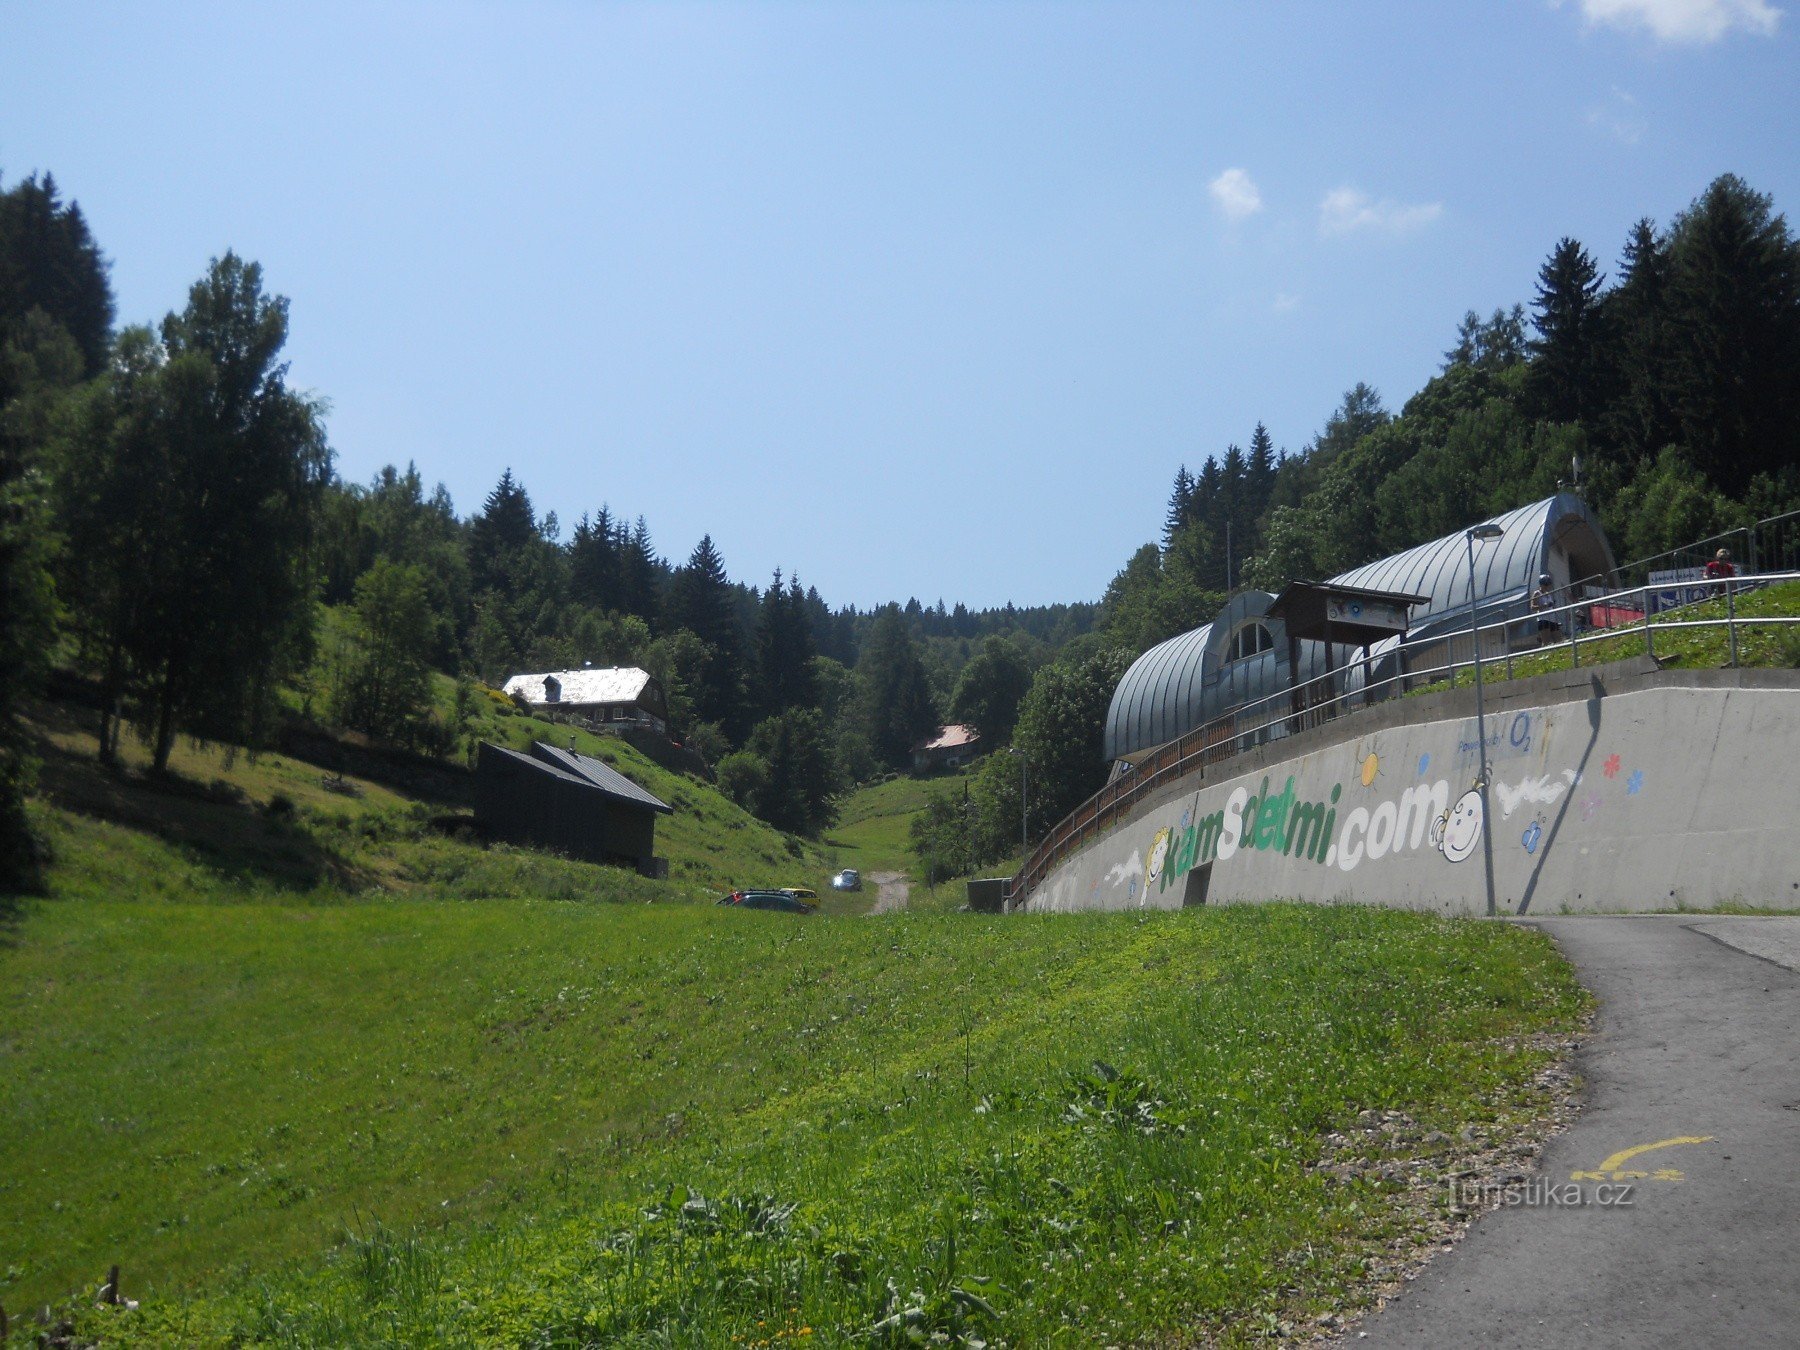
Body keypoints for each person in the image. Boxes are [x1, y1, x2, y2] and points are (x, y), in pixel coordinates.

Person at [1531, 573, 1561, 640]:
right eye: (1545, 584)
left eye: (1548, 584)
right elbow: (1532, 607)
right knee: (1546, 641)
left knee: (1559, 640)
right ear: (1541, 584)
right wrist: (1544, 606)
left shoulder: (1548, 594)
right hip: (1543, 619)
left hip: (1552, 619)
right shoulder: (1537, 593)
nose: (1547, 587)